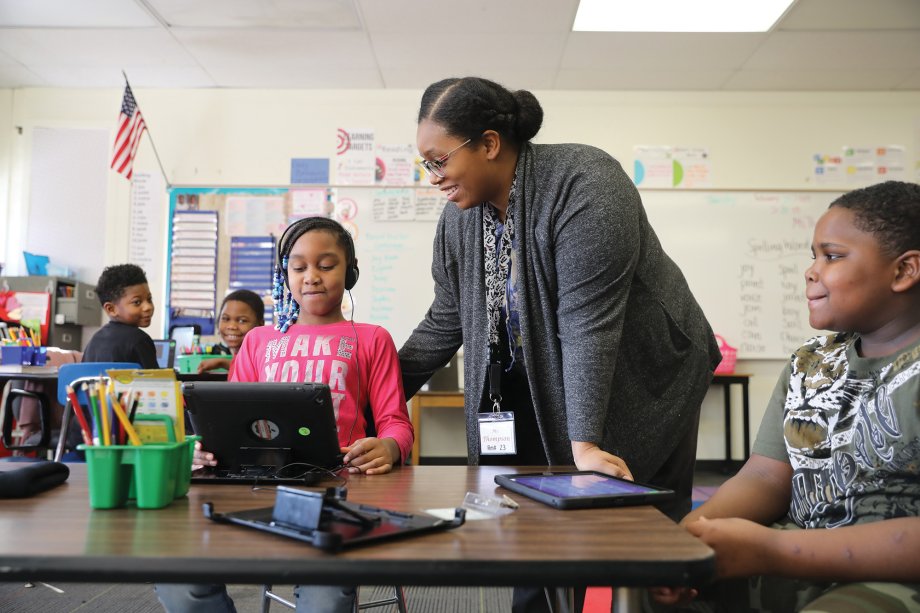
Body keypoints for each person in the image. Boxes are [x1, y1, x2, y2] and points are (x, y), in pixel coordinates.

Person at [397, 76, 721, 613]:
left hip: (645, 379)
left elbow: (588, 322)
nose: (433, 178)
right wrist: (369, 400)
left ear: (489, 143)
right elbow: (445, 320)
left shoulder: (585, 182)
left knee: (645, 547)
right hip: (530, 390)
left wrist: (586, 443)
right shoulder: (460, 220)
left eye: (438, 161)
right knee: (524, 533)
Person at [652, 180, 920, 612]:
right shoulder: (810, 362)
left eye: (831, 256)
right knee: (654, 594)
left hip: (889, 573)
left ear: (904, 271)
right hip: (793, 554)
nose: (811, 271)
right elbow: (764, 478)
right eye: (812, 256)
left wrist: (774, 550)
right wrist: (687, 536)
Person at [155, 216, 414, 613]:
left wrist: (390, 446)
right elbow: (222, 423)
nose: (311, 276)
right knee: (176, 575)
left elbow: (396, 421)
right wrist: (198, 447)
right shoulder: (259, 341)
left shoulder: (371, 338)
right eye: (299, 267)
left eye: (326, 265)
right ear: (285, 274)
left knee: (326, 598)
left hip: (336, 491)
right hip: (248, 487)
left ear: (351, 272)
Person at [82, 263, 158, 368]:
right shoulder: (139, 340)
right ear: (111, 309)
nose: (148, 307)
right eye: (137, 302)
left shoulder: (93, 341)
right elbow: (156, 382)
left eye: (149, 299)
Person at [195, 289, 265, 374]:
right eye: (226, 319)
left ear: (260, 325)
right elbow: (242, 366)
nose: (231, 326)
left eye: (242, 321)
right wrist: (222, 363)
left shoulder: (263, 359)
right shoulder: (240, 356)